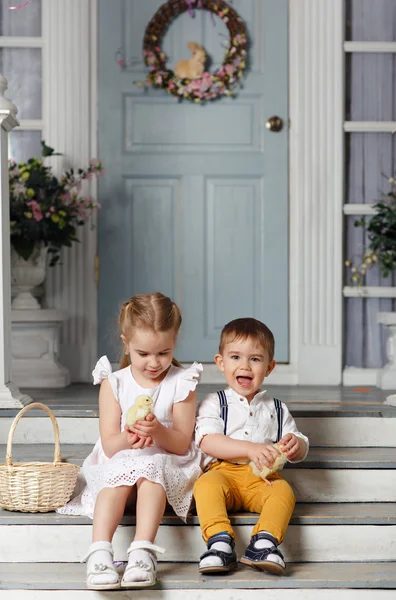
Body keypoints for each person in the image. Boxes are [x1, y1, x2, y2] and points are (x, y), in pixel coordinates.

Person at [58, 292, 202, 591]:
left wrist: (157, 432)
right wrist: (128, 437)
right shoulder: (115, 383)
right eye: (143, 353)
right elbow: (110, 446)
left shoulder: (182, 383)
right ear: (126, 343)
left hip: (164, 469)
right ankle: (99, 552)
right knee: (119, 474)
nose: (154, 362)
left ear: (175, 341)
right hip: (121, 463)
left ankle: (142, 551)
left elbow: (180, 444)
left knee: (151, 469)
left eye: (163, 352)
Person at [193, 317, 309, 575]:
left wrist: (296, 445)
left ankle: (264, 542)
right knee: (205, 486)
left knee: (284, 492)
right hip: (223, 473)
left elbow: (298, 439)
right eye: (235, 357)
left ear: (269, 367)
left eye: (255, 359)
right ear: (221, 363)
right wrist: (248, 448)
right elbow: (207, 440)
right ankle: (220, 542)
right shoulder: (215, 402)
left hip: (263, 479)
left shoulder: (277, 408)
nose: (245, 365)